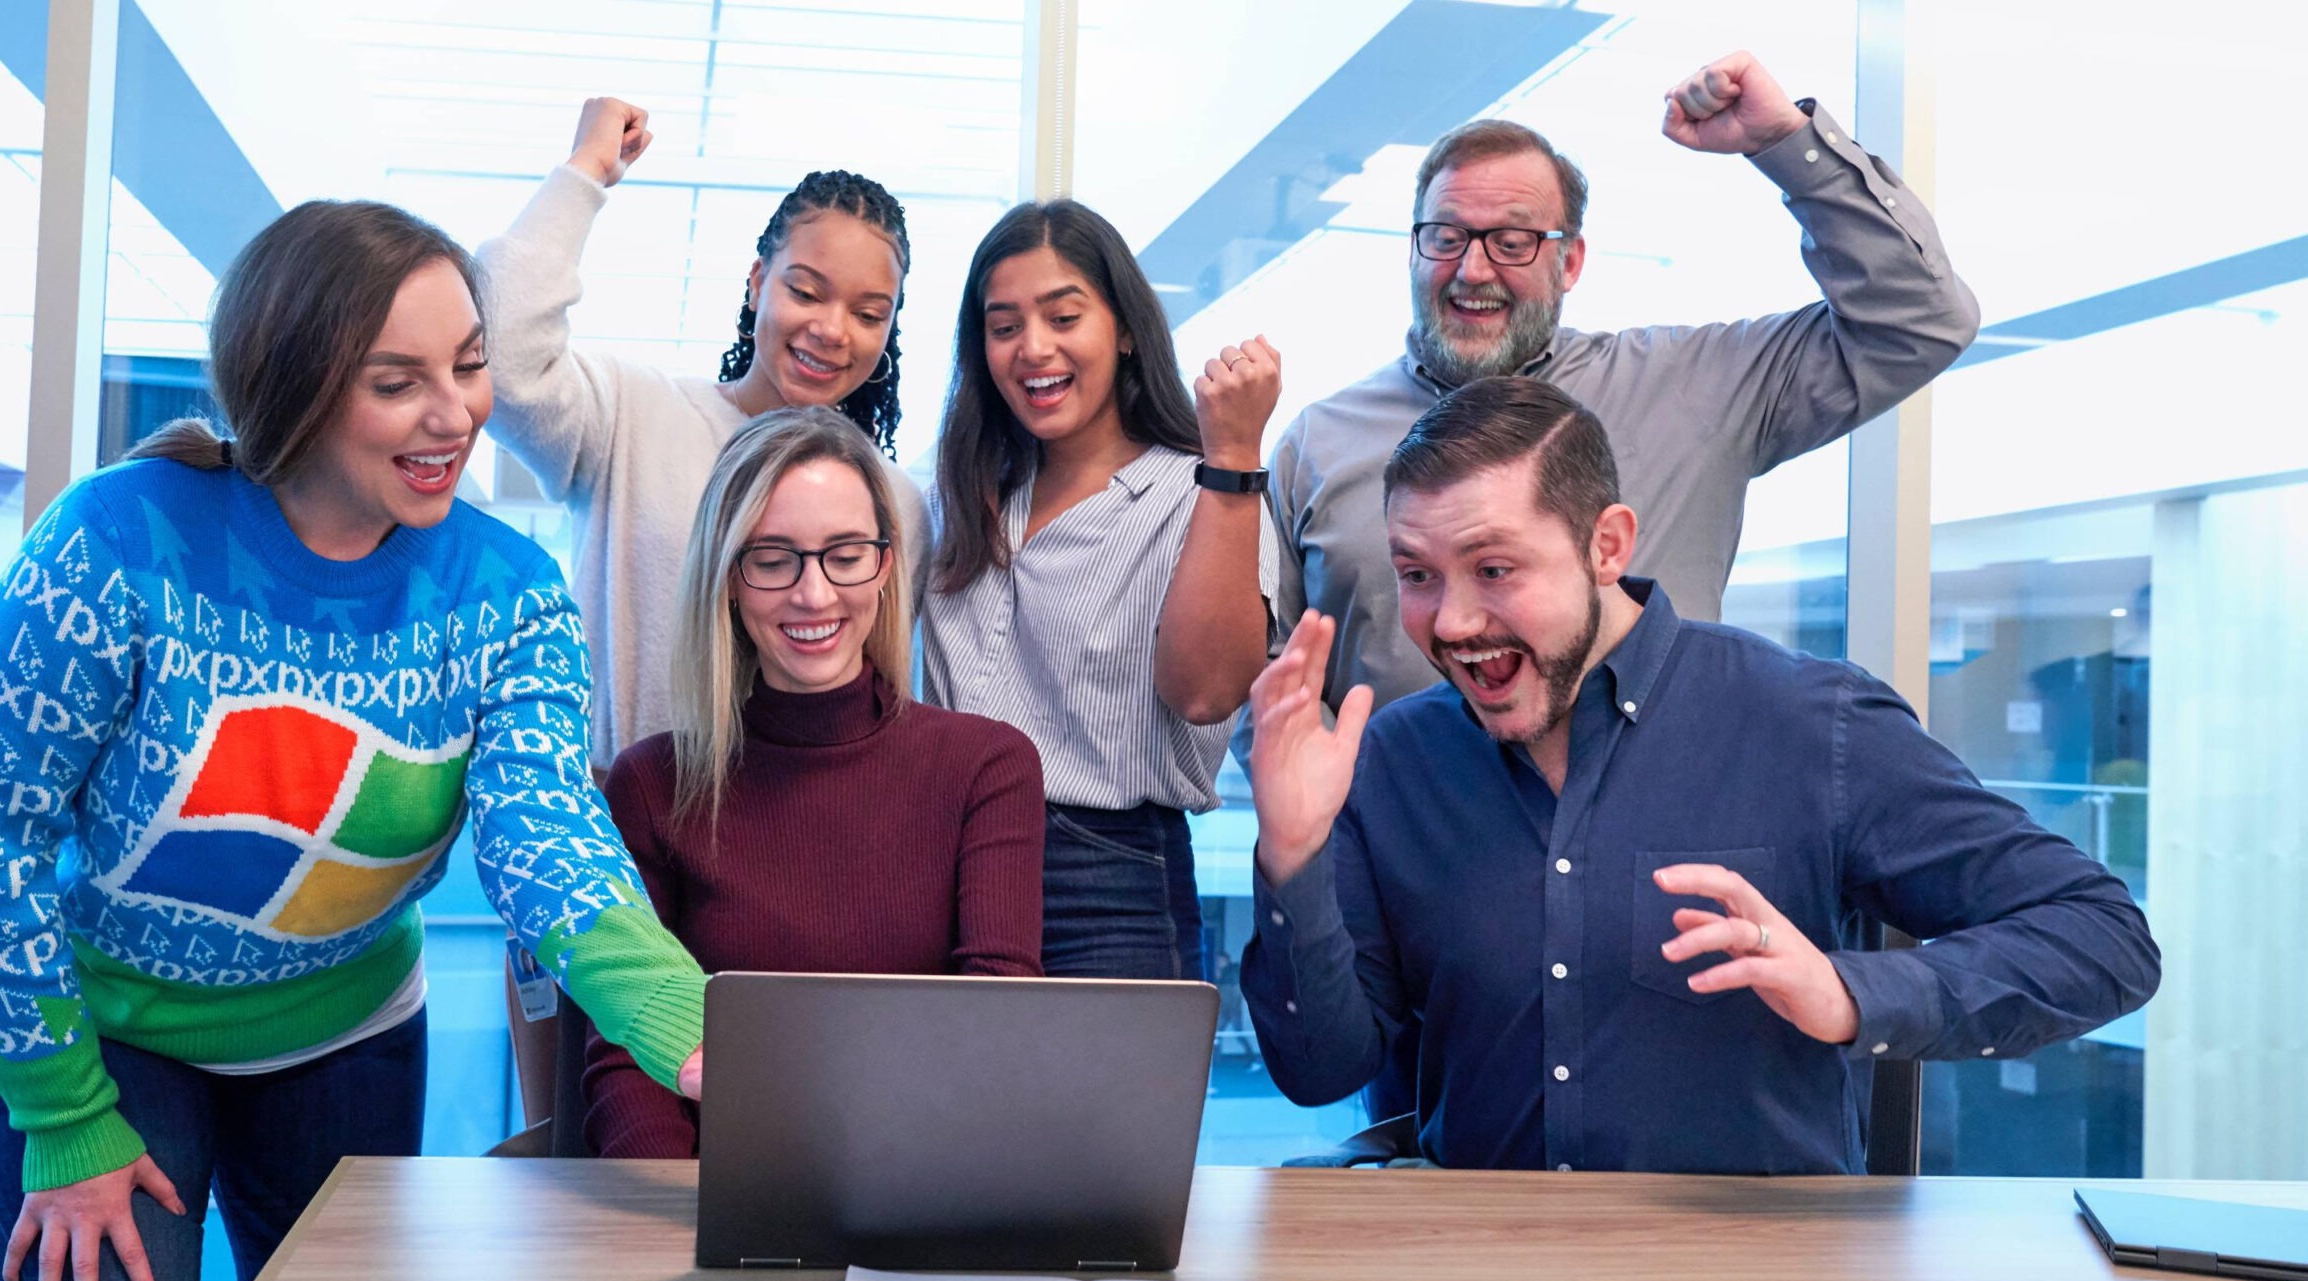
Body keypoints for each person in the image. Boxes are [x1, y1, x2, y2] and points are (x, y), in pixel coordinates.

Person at [0, 201, 708, 1281]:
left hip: (339, 1029)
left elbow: (542, 826)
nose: (454, 414)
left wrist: (689, 1024)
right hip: (87, 1027)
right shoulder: (118, 542)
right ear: (293, 387)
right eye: (398, 382)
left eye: (467, 365)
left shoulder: (507, 593)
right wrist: (65, 1117)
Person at [1264, 50, 1983, 1119]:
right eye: (1445, 236)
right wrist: (1313, 859)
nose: (1472, 268)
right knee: (1432, 1201)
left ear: (1571, 258)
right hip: (1423, 927)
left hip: (1663, 897)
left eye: (1512, 240)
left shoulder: (1697, 387)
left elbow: (1921, 320)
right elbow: (1284, 686)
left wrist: (1790, 148)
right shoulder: (1321, 440)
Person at [1240, 377, 2158, 1174]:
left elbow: (2102, 940)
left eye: (1493, 568)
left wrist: (1849, 994)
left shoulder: (1808, 722)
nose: (1451, 622)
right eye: (1418, 575)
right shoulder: (1394, 760)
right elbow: (1321, 1069)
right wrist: (1290, 855)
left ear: (1608, 545)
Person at [583, 407, 1046, 1156]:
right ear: (728, 580)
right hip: (719, 1200)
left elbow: (993, 1023)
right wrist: (675, 1217)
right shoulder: (652, 784)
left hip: (927, 1186)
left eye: (845, 554)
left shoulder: (987, 769)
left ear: (886, 566)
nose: (814, 594)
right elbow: (628, 1055)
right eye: (773, 558)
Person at [478, 95, 924, 763]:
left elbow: (879, 694)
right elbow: (503, 357)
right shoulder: (633, 414)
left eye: (868, 312)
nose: (832, 330)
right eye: (805, 291)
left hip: (791, 833)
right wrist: (586, 171)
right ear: (756, 284)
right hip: (618, 821)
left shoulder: (894, 501)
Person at [923, 199, 1282, 981]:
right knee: (949, 1106)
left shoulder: (1205, 491)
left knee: (1106, 1107)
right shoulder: (957, 492)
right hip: (942, 863)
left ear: (1123, 330)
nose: (1033, 348)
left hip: (1108, 879)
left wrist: (1231, 456)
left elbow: (1208, 691)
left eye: (1064, 316)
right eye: (1004, 324)